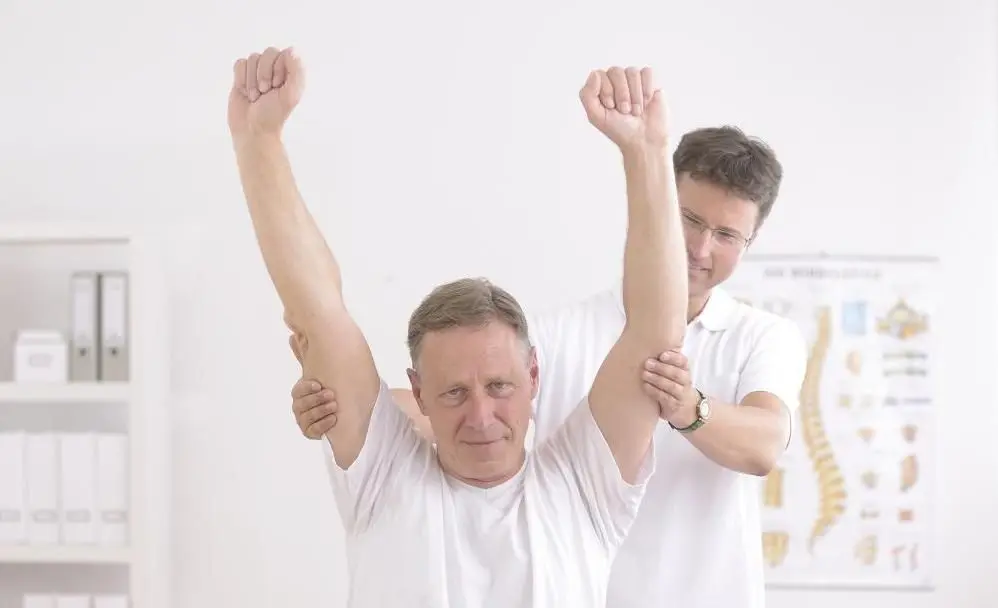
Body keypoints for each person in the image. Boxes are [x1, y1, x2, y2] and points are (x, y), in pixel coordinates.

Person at [229, 46, 690, 607]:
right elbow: (317, 310)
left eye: (499, 386)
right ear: (418, 391)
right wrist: (259, 141)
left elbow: (654, 331)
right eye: (452, 392)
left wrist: (647, 152)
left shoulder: (581, 484)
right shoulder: (384, 474)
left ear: (534, 374)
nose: (480, 416)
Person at [291, 121, 808, 606]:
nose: (699, 248)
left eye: (727, 235)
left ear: (751, 241)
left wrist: (687, 407)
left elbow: (764, 445)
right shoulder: (559, 335)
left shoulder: (765, 337)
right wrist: (337, 406)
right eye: (689, 221)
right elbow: (459, 393)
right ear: (663, 207)